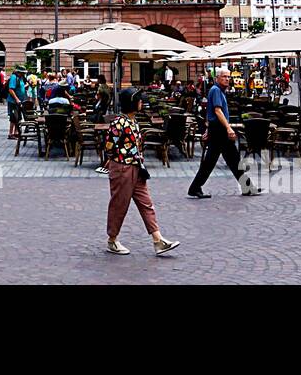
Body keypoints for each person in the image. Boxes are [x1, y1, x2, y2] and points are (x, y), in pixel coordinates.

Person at [103, 90, 180, 257]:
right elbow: (109, 146)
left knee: (146, 203)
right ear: (131, 103)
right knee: (119, 205)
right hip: (123, 168)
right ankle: (112, 240)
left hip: (136, 168)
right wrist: (119, 160)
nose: (141, 103)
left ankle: (158, 240)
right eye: (138, 100)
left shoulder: (133, 121)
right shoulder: (119, 123)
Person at [188, 67, 261, 198]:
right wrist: (228, 128)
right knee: (218, 161)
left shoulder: (218, 91)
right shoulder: (216, 90)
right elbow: (217, 111)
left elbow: (209, 111)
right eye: (224, 77)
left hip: (216, 129)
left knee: (230, 160)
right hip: (219, 130)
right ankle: (195, 187)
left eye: (229, 77)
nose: (227, 79)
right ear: (217, 78)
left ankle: (247, 187)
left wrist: (208, 129)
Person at [6, 67, 27, 139]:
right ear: (19, 72)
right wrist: (17, 99)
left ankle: (16, 132)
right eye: (23, 73)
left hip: (19, 101)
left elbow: (20, 87)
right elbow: (11, 89)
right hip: (13, 101)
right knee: (13, 117)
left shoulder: (20, 78)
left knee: (18, 117)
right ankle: (11, 134)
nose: (24, 74)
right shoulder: (14, 77)